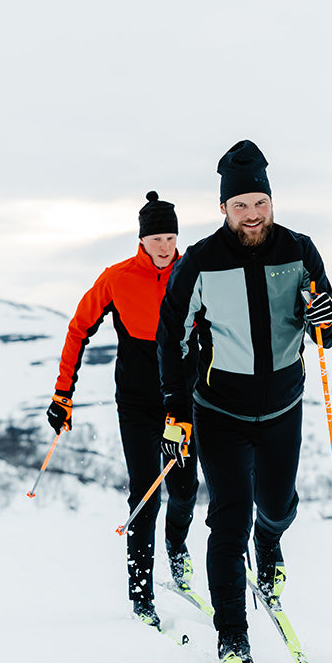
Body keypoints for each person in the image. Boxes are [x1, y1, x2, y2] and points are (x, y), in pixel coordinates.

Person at [156, 141, 332, 663]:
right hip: (220, 410)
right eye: (241, 205)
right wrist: (175, 406)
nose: (252, 214)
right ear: (223, 208)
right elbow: (170, 337)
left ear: (271, 200)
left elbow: (329, 329)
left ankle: (272, 541)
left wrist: (325, 320)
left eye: (259, 202)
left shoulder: (300, 250)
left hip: (284, 404)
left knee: (279, 506)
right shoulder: (199, 261)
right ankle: (232, 636)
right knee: (227, 519)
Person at [47, 191, 199, 629]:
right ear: (142, 239)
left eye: (171, 237)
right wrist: (63, 392)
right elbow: (78, 330)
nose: (166, 246)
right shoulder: (116, 278)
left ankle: (176, 547)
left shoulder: (193, 273)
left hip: (183, 403)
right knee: (144, 493)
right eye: (157, 238)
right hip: (136, 402)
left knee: (186, 487)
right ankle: (141, 594)